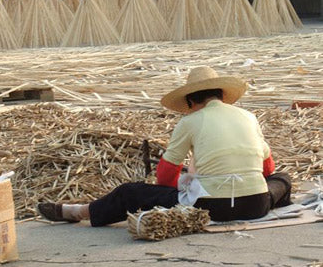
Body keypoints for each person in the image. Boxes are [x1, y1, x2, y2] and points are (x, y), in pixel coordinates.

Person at [37, 66, 292, 226]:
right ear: (223, 96)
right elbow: (268, 168)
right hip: (257, 205)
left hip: (212, 209)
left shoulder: (191, 121)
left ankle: (79, 212)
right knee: (283, 178)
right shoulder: (248, 116)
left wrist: (185, 183)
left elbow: (165, 175)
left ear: (191, 101)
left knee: (130, 192)